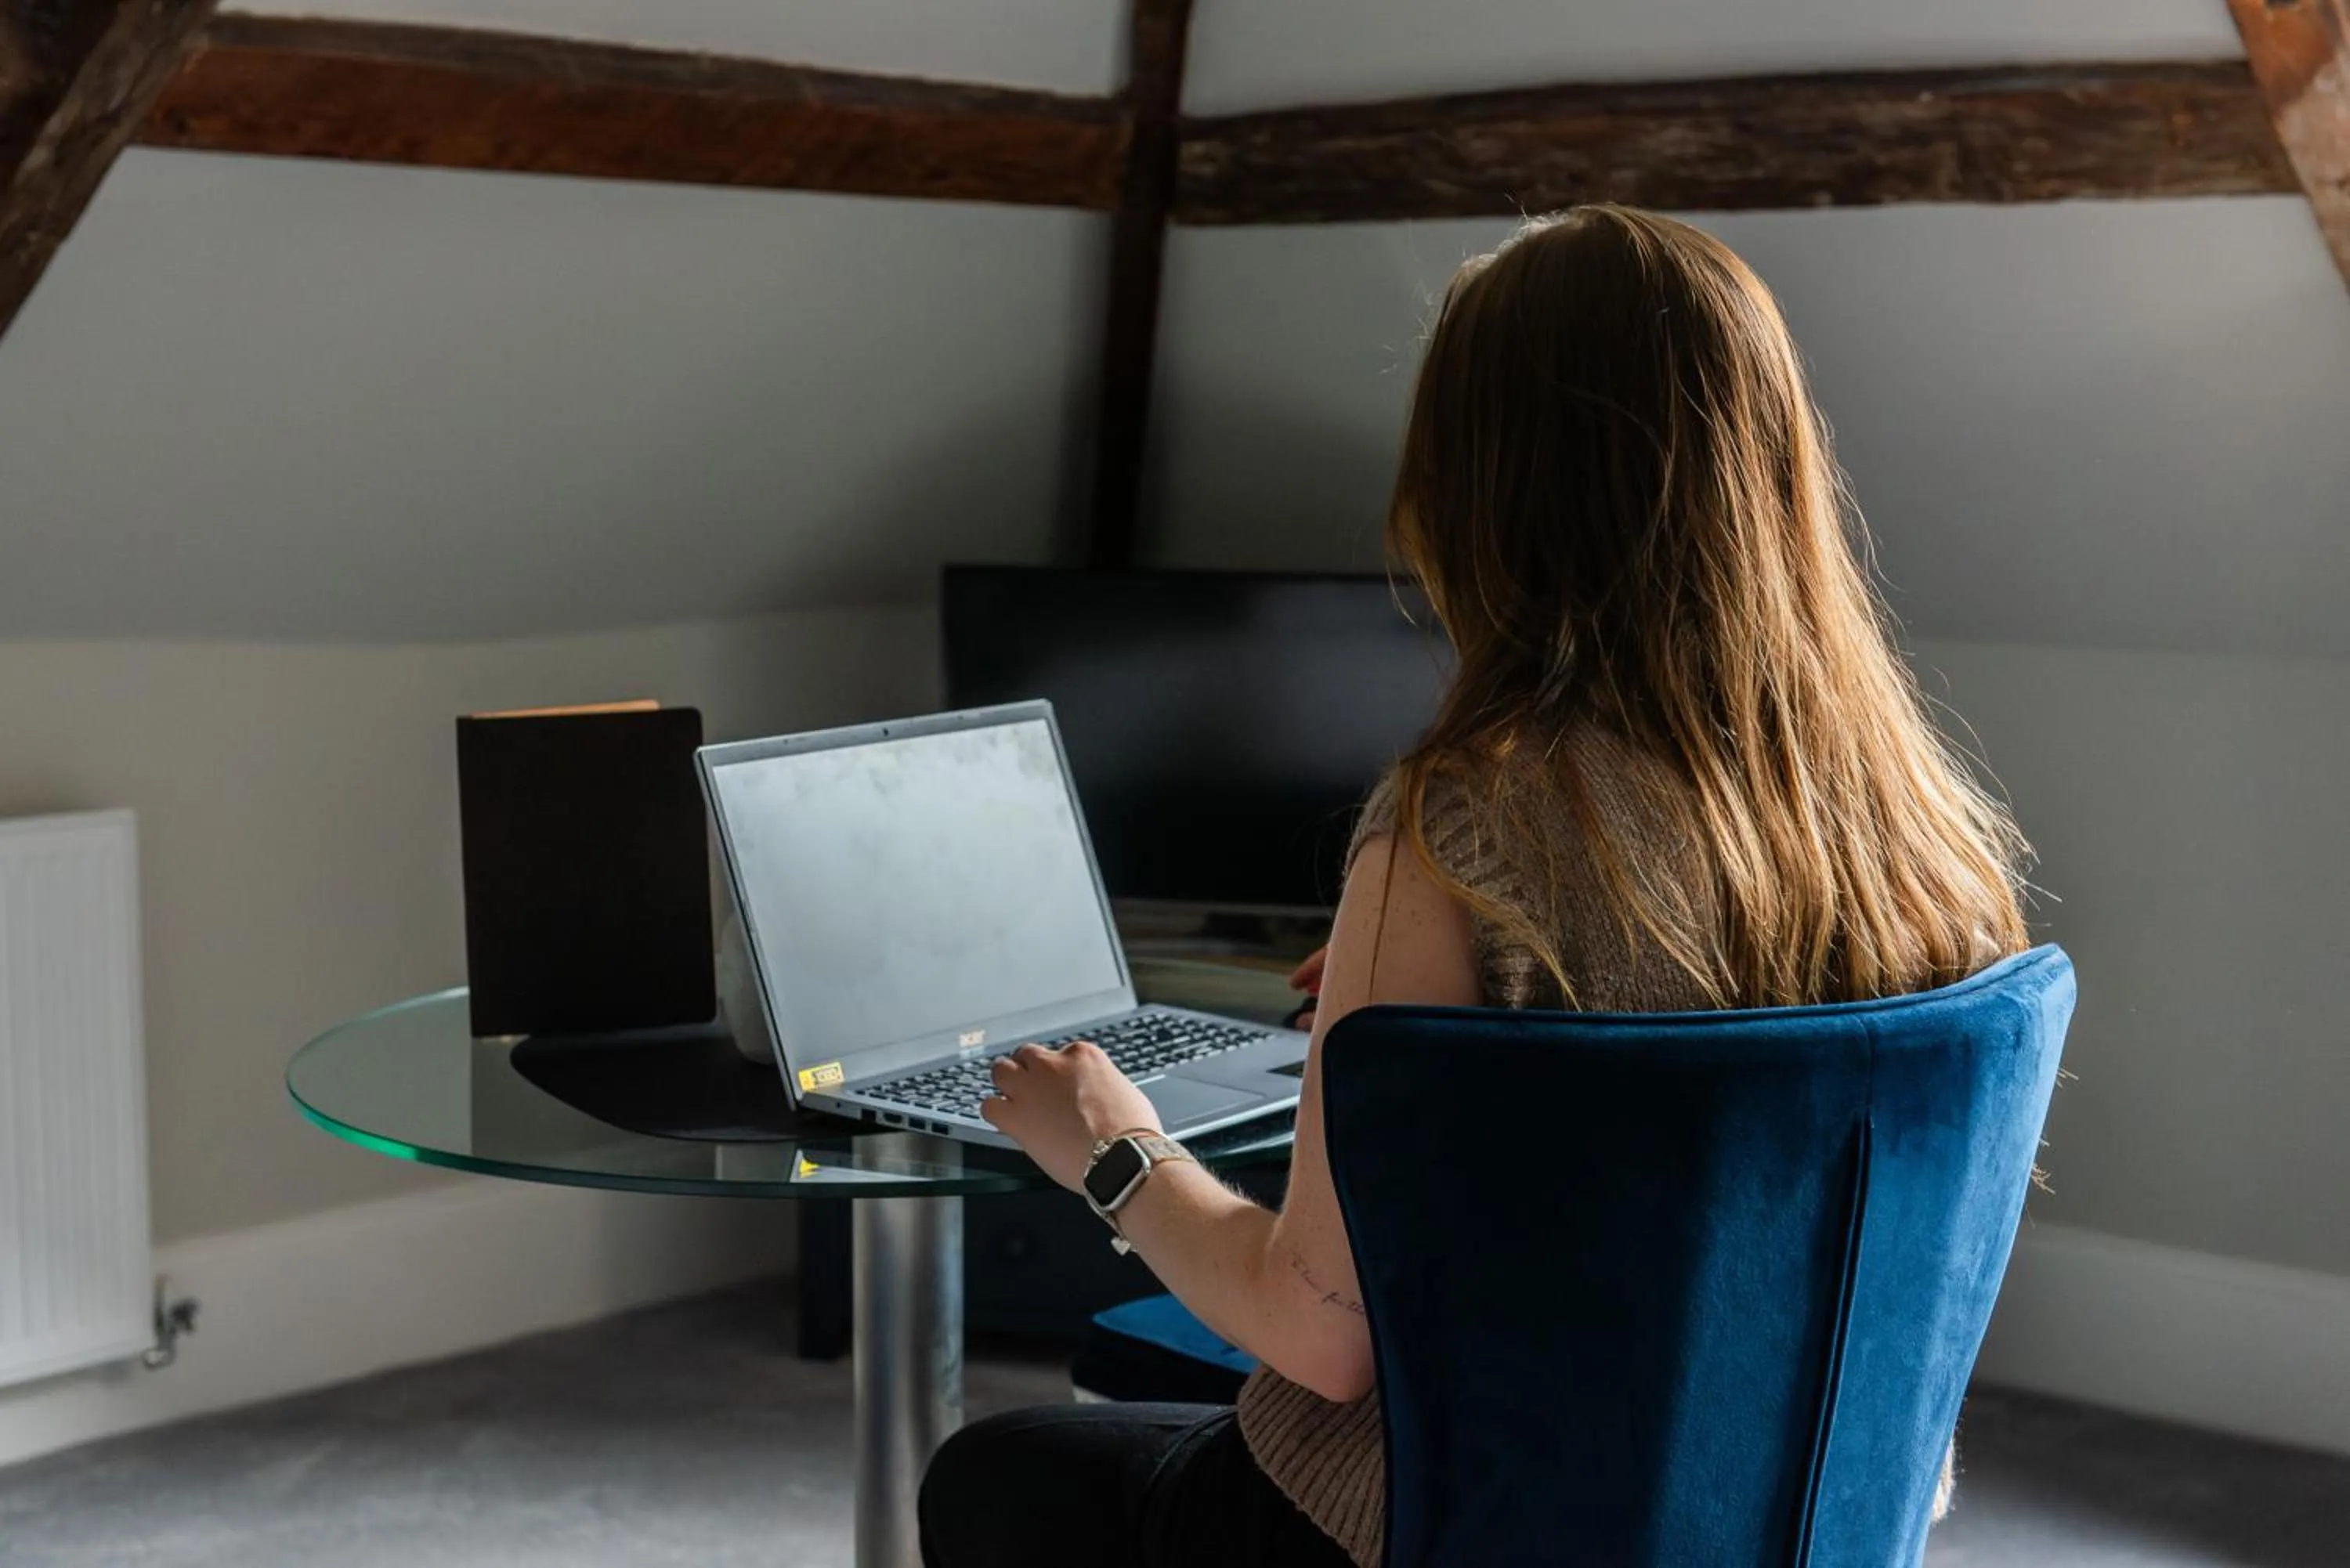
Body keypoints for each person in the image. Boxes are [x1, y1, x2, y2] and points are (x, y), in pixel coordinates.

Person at [917, 204, 2030, 1568]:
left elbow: (1319, 1335)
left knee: (1001, 1471)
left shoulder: (1462, 828)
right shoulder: (1920, 834)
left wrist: (1109, 1140)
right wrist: (1431, 1027)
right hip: (1784, 1520)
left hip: (1450, 1532)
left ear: (1479, 492)